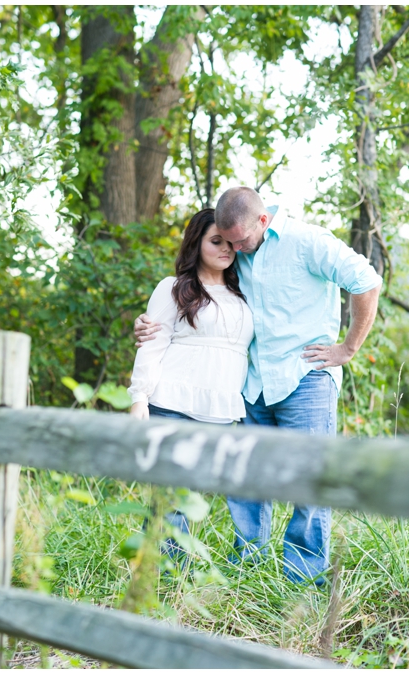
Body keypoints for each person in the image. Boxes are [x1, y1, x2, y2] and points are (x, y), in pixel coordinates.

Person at [134, 186, 382, 585]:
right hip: (253, 386)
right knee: (246, 481)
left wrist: (348, 348)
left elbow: (366, 281)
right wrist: (148, 325)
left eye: (240, 241)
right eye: (226, 242)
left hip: (305, 378)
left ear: (262, 221)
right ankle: (249, 569)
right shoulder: (236, 257)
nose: (235, 250)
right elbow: (193, 300)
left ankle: (302, 582)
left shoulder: (307, 242)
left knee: (310, 480)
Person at [127, 208, 253, 558]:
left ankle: (169, 573)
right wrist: (139, 398)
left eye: (230, 243)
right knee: (169, 499)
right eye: (216, 242)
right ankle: (162, 578)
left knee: (192, 499)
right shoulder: (174, 288)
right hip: (173, 404)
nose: (225, 249)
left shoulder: (245, 292)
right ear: (196, 244)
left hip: (220, 409)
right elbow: (152, 344)